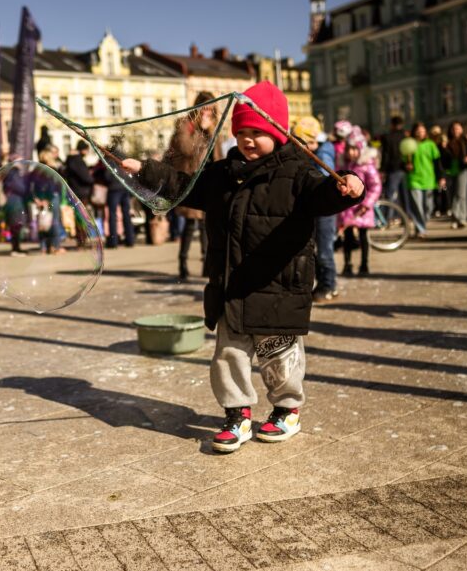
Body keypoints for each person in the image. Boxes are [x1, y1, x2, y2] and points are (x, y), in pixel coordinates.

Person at [122, 81, 365, 454]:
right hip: (231, 284)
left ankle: (287, 410)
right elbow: (184, 185)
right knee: (228, 356)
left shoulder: (298, 172)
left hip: (278, 285)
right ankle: (237, 415)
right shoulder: (223, 173)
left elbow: (323, 196)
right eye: (242, 133)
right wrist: (145, 170)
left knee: (280, 357)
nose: (248, 140)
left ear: (277, 132)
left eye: (258, 133)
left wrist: (347, 188)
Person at [166, 91, 217, 279]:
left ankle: (207, 264)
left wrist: (210, 132)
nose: (207, 113)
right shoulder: (185, 125)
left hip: (208, 180)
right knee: (190, 224)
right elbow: (187, 149)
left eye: (211, 109)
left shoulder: (214, 128)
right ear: (197, 108)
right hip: (189, 180)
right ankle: (183, 264)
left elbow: (217, 155)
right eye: (204, 109)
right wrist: (201, 131)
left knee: (206, 225)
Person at [293, 117, 340, 303]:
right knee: (315, 249)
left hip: (325, 210)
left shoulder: (322, 154)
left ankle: (328, 285)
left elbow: (325, 178)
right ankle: (322, 283)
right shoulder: (317, 151)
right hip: (316, 209)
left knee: (324, 251)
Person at [337, 133, 382, 277]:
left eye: (354, 149)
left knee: (363, 237)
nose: (351, 152)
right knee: (347, 237)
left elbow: (375, 186)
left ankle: (364, 264)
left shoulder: (367, 166)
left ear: (361, 149)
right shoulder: (344, 165)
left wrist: (367, 204)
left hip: (362, 209)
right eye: (348, 149)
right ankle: (347, 264)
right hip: (347, 209)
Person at [406, 122, 445, 237]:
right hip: (414, 180)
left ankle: (421, 225)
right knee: (417, 207)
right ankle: (421, 229)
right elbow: (403, 161)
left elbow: (437, 163)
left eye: (423, 131)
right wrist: (406, 166)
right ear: (414, 132)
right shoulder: (409, 144)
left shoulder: (431, 144)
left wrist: (441, 177)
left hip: (429, 180)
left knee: (429, 207)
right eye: (418, 131)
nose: (420, 133)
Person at [443, 121, 467, 229]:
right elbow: (442, 158)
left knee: (461, 194)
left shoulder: (466, 142)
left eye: (457, 128)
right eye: (453, 129)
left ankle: (461, 218)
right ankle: (455, 219)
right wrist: (443, 148)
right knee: (452, 195)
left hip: (462, 170)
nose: (455, 131)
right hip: (450, 171)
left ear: (461, 129)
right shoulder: (447, 142)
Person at [63, 141, 94, 247]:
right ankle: (82, 239)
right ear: (83, 149)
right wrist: (91, 178)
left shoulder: (70, 160)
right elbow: (86, 177)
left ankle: (81, 239)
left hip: (74, 191)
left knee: (78, 216)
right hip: (81, 192)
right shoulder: (78, 161)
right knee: (81, 217)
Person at [378, 115, 408, 223]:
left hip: (393, 169)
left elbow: (385, 155)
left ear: (392, 125)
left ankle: (387, 218)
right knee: (405, 195)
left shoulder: (388, 137)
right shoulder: (405, 137)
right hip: (404, 168)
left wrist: (382, 169)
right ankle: (406, 217)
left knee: (390, 194)